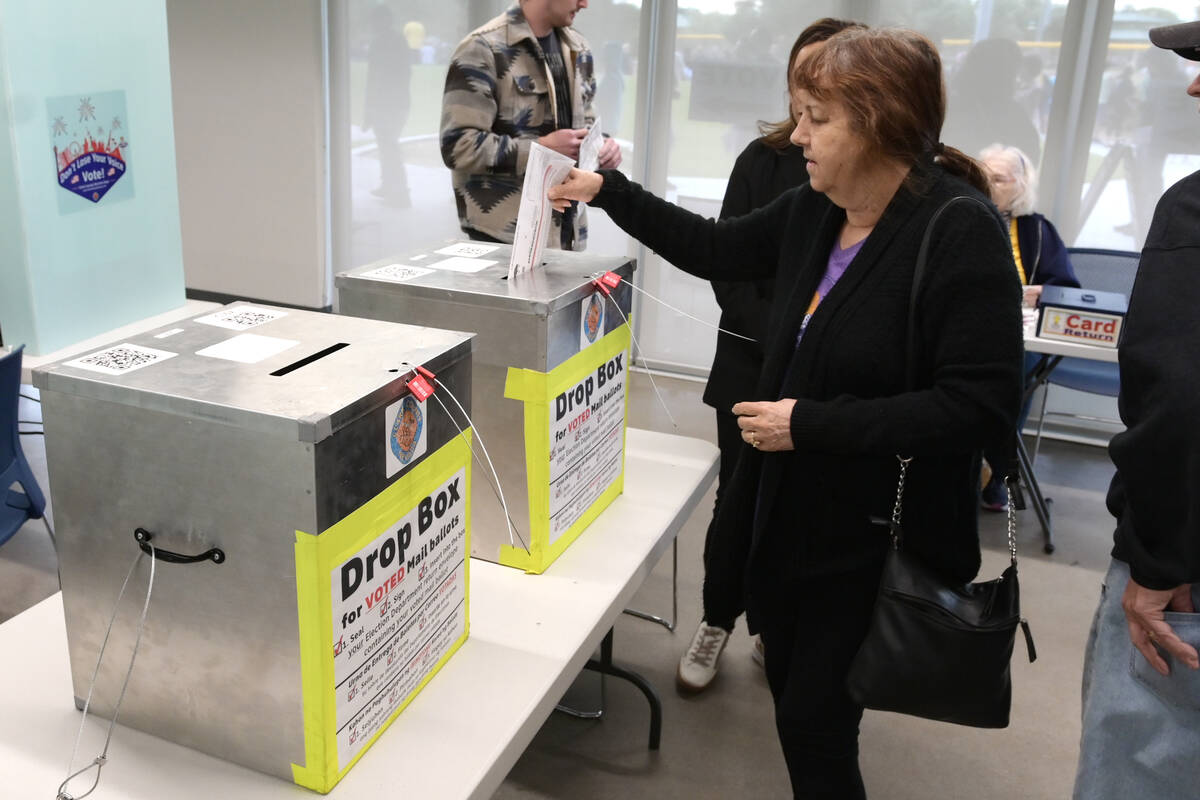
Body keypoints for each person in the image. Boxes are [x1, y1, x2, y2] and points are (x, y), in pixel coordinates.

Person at [550, 27, 1022, 797]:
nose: (796, 134)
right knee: (806, 714)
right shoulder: (817, 207)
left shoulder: (957, 229)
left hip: (874, 543)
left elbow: (979, 406)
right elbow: (713, 246)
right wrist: (609, 193)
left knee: (813, 722)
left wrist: (810, 425)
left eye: (817, 116)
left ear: (876, 120)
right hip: (793, 527)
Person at [677, 17, 866, 695]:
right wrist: (788, 338)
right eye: (800, 80)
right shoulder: (763, 162)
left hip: (823, 392)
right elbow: (724, 262)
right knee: (737, 505)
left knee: (799, 514)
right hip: (753, 368)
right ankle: (715, 619)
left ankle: (773, 626)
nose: (804, 101)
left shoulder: (874, 179)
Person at [1072, 21, 1200, 800]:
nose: (1193, 85)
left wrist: (1155, 563)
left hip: (1182, 585)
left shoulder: (1194, 213)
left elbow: (1179, 399)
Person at [440, 0, 621, 248]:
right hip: (503, 239)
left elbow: (585, 122)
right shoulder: (482, 49)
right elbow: (458, 146)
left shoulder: (578, 48)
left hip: (567, 233)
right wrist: (539, 150)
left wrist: (603, 148)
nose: (584, 4)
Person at [977, 142, 1080, 511]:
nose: (988, 184)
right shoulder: (963, 217)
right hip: (968, 330)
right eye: (983, 175)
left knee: (1009, 372)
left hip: (1019, 337)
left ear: (1021, 185)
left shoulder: (1037, 230)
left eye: (999, 179)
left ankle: (992, 472)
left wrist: (1042, 292)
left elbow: (1066, 290)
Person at [363, 5, 413, 206]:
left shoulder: (380, 43)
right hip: (398, 102)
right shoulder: (398, 41)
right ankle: (389, 186)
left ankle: (399, 192)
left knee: (389, 147)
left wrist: (369, 109)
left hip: (387, 103)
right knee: (388, 146)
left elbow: (373, 77)